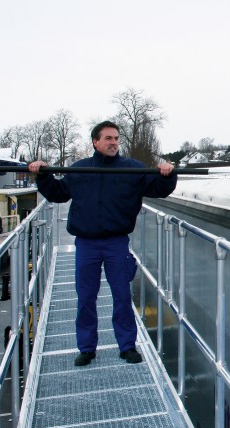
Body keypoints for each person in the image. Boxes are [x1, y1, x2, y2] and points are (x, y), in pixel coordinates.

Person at [28, 120, 177, 367]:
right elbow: (58, 193)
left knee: (121, 296)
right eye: (108, 138)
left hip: (117, 243)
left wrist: (168, 173)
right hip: (86, 244)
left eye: (117, 138)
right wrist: (42, 174)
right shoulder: (81, 169)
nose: (114, 143)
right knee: (86, 297)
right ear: (95, 142)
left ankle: (127, 346)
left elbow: (158, 189)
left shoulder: (132, 169)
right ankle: (87, 348)